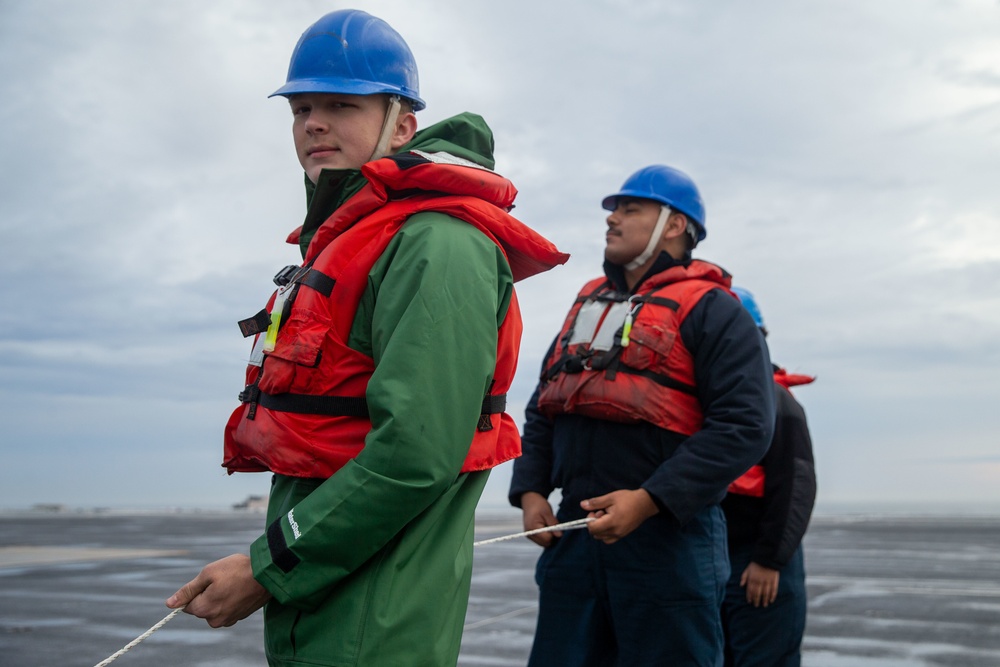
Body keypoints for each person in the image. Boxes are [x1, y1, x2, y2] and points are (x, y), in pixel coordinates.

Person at [165, 9, 567, 667]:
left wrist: (268, 568)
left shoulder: (436, 244)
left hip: (375, 624)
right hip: (330, 606)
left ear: (402, 125)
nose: (313, 123)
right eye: (302, 108)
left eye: (340, 105)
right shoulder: (360, 240)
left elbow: (415, 453)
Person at [509, 164, 775, 666]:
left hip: (670, 545)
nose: (613, 219)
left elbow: (746, 426)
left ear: (674, 225)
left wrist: (651, 500)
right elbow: (545, 404)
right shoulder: (588, 303)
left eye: (631, 209)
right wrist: (530, 490)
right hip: (576, 538)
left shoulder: (715, 310)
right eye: (614, 209)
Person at [721, 287, 817, 667]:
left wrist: (769, 560)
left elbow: (796, 486)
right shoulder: (712, 404)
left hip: (758, 562)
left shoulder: (778, 403)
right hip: (717, 558)